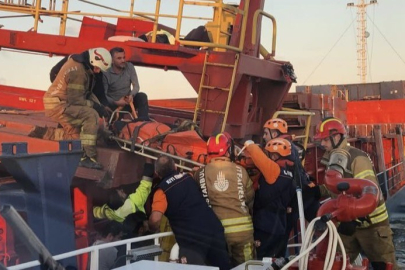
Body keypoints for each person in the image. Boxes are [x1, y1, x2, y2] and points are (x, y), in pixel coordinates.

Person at [313, 117, 397, 270]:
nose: (322, 144)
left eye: (325, 140)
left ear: (336, 137)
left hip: (373, 226)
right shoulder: (332, 157)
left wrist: (354, 219)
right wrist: (317, 190)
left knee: (383, 266)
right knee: (336, 264)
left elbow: (369, 192)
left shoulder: (357, 158)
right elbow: (339, 187)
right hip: (347, 224)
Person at [29, 47, 112, 170]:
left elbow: (86, 93)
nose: (98, 71)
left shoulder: (81, 64)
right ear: (94, 60)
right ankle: (89, 158)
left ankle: (43, 133)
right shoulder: (78, 71)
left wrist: (101, 106)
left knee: (77, 136)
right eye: (98, 68)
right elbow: (76, 100)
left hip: (61, 103)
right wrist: (96, 107)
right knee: (91, 116)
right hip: (59, 105)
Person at [149, 155, 231, 270]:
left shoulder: (161, 191)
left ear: (156, 173)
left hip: (192, 240)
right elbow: (195, 173)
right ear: (175, 166)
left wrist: (151, 228)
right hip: (213, 229)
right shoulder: (187, 177)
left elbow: (155, 219)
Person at [194, 132, 255, 266]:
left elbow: (196, 201)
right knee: (247, 267)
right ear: (228, 151)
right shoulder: (241, 171)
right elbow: (250, 198)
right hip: (243, 233)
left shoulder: (200, 173)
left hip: (217, 233)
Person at [244, 138, 296, 260]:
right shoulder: (289, 172)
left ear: (274, 156)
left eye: (267, 154)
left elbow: (259, 158)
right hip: (279, 226)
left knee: (260, 261)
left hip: (265, 226)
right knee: (274, 261)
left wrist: (250, 144)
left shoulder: (274, 170)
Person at [103, 47, 149, 120]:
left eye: (124, 57)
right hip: (113, 105)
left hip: (128, 102)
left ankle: (143, 121)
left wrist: (131, 95)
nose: (123, 60)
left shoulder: (129, 66)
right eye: (119, 58)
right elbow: (103, 95)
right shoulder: (106, 72)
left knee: (142, 96)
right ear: (112, 60)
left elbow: (136, 86)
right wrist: (117, 102)